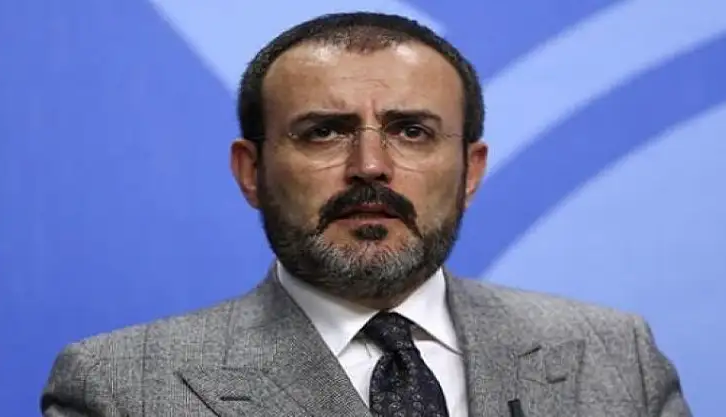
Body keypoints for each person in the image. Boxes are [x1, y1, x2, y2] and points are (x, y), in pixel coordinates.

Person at [41, 11, 692, 417]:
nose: (371, 166)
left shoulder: (614, 355)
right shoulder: (120, 389)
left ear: (470, 171)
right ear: (251, 171)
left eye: (412, 131)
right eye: (324, 131)